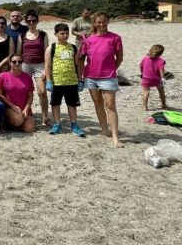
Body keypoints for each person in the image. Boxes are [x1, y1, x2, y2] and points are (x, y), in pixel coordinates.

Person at [80, 12, 123, 147]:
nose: (101, 24)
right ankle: (105, 129)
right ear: (94, 23)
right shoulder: (89, 40)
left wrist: (111, 69)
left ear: (108, 22)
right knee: (98, 103)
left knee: (110, 105)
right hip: (91, 76)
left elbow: (119, 58)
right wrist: (82, 75)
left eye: (104, 21)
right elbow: (81, 58)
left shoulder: (115, 38)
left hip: (108, 76)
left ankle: (115, 136)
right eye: (98, 22)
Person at [44, 23, 85, 137]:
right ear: (56, 34)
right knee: (55, 103)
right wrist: (48, 80)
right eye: (62, 33)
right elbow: (47, 66)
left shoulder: (73, 47)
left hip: (71, 81)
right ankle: (57, 124)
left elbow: (78, 65)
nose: (65, 35)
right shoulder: (51, 48)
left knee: (72, 104)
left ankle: (74, 124)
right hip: (57, 81)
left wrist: (80, 79)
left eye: (66, 33)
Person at [18, 10, 50, 125]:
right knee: (24, 91)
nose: (31, 22)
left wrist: (47, 69)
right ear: (26, 22)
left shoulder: (43, 34)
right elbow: (18, 52)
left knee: (42, 91)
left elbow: (47, 52)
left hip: (40, 65)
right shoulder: (22, 35)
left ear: (37, 21)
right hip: (25, 65)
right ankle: (25, 113)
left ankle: (45, 117)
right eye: (29, 20)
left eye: (33, 20)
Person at [0, 53, 36, 133]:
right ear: (10, 63)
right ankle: (10, 121)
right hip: (10, 107)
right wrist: (12, 106)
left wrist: (26, 110)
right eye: (14, 62)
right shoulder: (2, 76)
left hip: (24, 108)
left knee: (30, 129)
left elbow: (30, 96)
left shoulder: (27, 77)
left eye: (19, 62)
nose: (17, 64)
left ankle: (17, 122)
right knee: (18, 121)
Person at [140, 44, 167, 111]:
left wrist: (142, 73)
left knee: (146, 92)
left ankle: (145, 107)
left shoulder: (145, 58)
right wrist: (163, 79)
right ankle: (163, 105)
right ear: (160, 54)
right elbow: (161, 71)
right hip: (156, 79)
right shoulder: (161, 61)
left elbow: (141, 66)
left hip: (146, 78)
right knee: (161, 92)